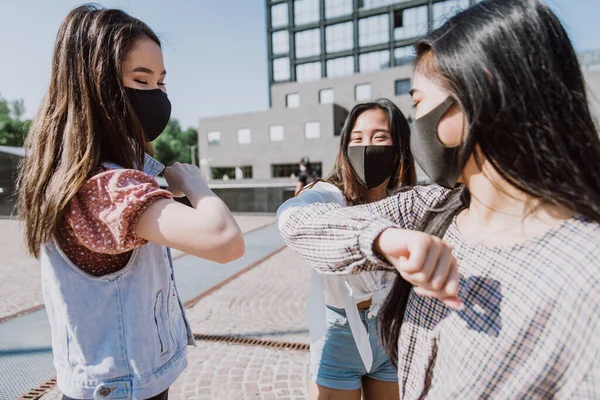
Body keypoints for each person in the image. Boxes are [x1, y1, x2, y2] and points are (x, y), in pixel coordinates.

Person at [278, 0, 600, 398]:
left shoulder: (585, 278)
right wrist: (383, 240)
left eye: (417, 101)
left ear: (479, 92)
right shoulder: (436, 208)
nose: (417, 124)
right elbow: (296, 221)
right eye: (358, 139)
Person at [16, 5, 245, 399]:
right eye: (141, 80)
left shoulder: (78, 176)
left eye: (161, 83)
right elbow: (225, 241)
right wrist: (196, 185)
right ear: (96, 85)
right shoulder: (105, 187)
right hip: (124, 388)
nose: (157, 96)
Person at [279, 99, 416, 399]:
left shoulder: (407, 202)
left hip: (391, 329)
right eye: (357, 139)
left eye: (380, 138)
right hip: (338, 334)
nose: (366, 147)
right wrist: (376, 238)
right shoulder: (328, 195)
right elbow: (291, 216)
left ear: (398, 150)